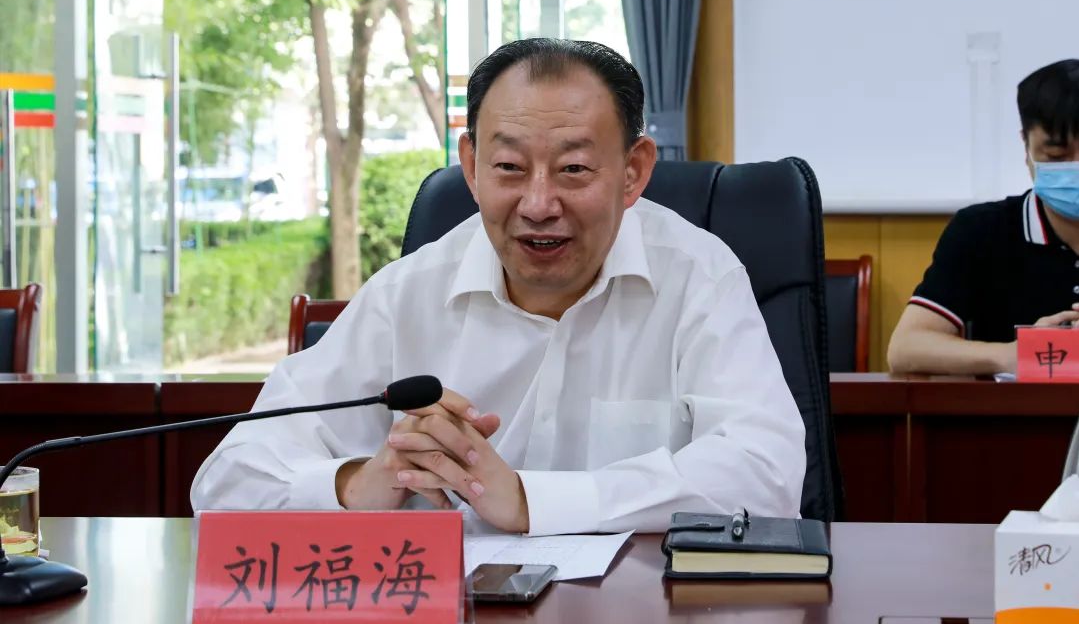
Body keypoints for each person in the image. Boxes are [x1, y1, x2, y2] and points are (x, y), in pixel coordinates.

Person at [191, 38, 805, 535]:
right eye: (509, 167)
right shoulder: (407, 294)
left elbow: (767, 475)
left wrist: (532, 501)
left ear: (633, 171)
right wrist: (354, 485)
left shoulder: (698, 277)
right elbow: (226, 483)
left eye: (573, 169)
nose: (538, 204)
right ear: (471, 166)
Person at [889, 59, 1079, 375]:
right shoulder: (981, 230)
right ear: (1026, 146)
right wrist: (1017, 355)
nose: (1076, 167)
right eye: (1057, 156)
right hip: (1012, 408)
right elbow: (906, 347)